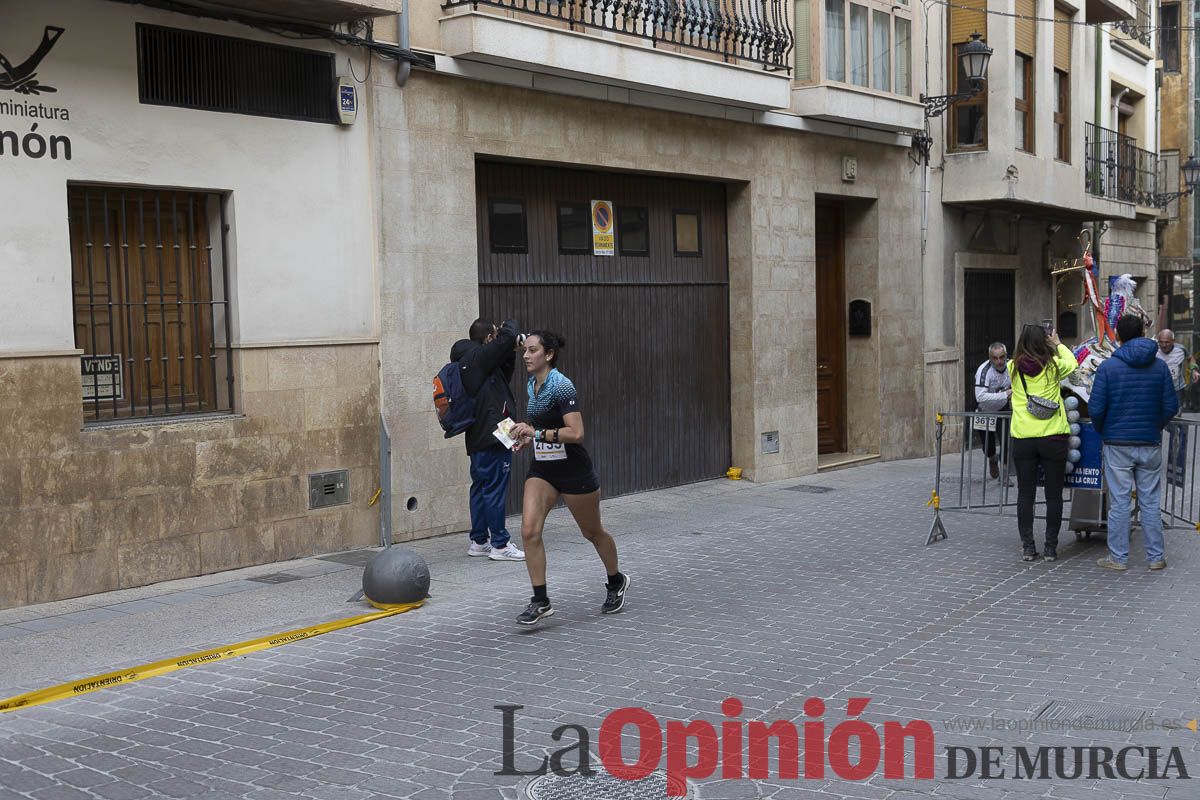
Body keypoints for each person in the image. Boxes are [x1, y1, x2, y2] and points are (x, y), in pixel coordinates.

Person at [507, 331, 628, 625]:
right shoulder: (532, 384)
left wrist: (535, 433)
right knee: (528, 531)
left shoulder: (562, 385)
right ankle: (541, 600)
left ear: (548, 355)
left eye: (532, 350)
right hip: (544, 470)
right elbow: (542, 424)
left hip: (574, 470)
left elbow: (576, 433)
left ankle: (616, 581)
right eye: (524, 350)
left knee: (592, 532)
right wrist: (527, 436)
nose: (525, 355)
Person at [1090, 315, 1179, 572]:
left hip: (1117, 442)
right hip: (1149, 442)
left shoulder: (1108, 367)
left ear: (1117, 335)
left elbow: (1096, 407)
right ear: (1142, 332)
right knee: (1150, 502)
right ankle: (1155, 557)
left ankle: (1118, 558)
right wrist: (1155, 425)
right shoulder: (1160, 367)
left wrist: (1103, 429)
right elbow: (1171, 405)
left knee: (1119, 502)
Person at [449, 318, 526, 562]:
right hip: (493, 436)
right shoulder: (478, 357)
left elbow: (504, 373)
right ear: (488, 338)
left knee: (480, 487)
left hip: (479, 435)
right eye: (494, 335)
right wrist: (509, 327)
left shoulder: (471, 361)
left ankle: (479, 541)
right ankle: (500, 545)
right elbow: (505, 337)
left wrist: (509, 350)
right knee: (494, 489)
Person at [1007, 323, 1078, 562]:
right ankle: (1050, 548)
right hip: (1053, 437)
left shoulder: (1012, 368)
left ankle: (1028, 547)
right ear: (1043, 341)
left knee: (1025, 494)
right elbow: (1074, 363)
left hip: (1024, 438)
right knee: (1053, 495)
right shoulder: (1053, 367)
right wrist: (1057, 344)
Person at [973, 342, 1012, 479]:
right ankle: (992, 458)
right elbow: (980, 396)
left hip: (1003, 410)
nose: (999, 361)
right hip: (985, 411)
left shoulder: (1011, 366)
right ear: (990, 358)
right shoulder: (984, 370)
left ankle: (1005, 475)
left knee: (1007, 441)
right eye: (995, 358)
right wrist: (1005, 394)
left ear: (1006, 355)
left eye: (1002, 357)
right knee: (988, 447)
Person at [1154, 328, 1189, 411]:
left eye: (1167, 342)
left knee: (1176, 414)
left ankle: (1179, 423)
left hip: (1177, 389)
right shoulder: (1154, 349)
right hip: (1159, 389)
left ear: (1173, 341)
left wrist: (1194, 369)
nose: (1163, 345)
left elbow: (1190, 358)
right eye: (1161, 342)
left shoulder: (1181, 349)